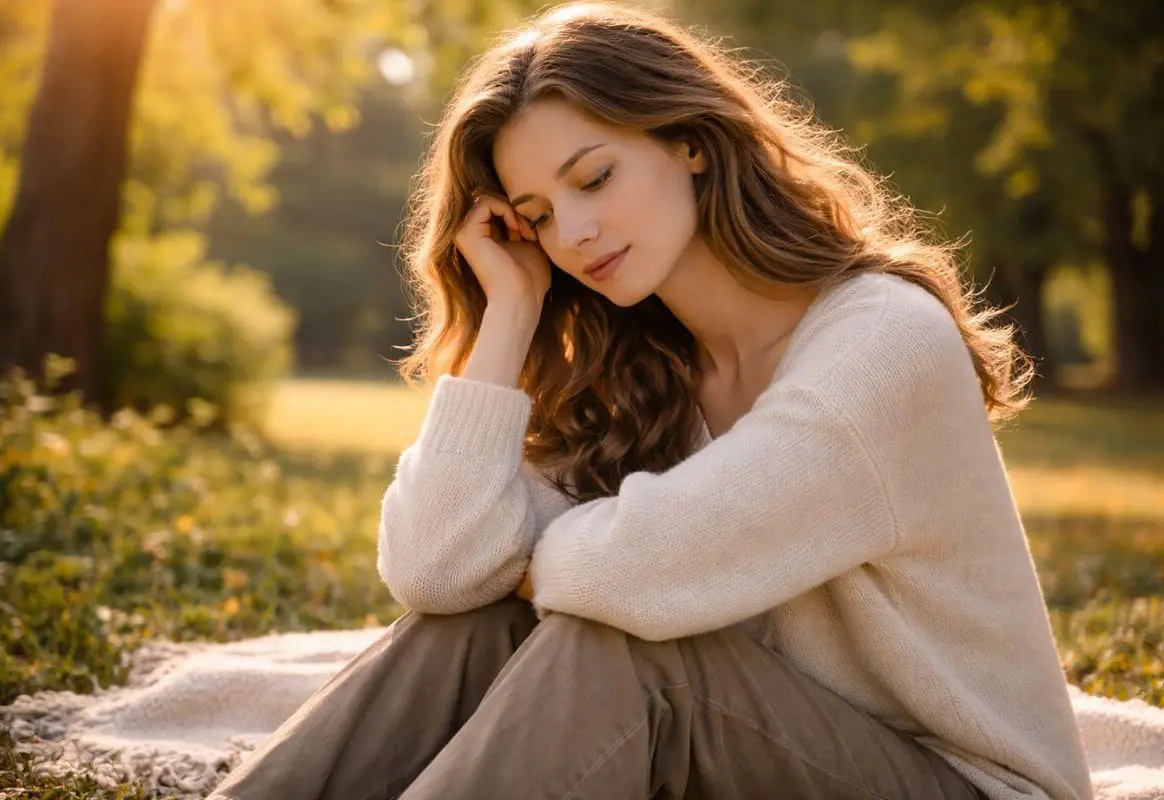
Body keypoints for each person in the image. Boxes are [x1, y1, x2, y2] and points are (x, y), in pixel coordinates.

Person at [208, 2, 1094, 799]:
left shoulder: (882, 343)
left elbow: (639, 572)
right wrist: (512, 310)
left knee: (622, 650)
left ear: (690, 140)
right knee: (475, 627)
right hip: (761, 743)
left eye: (592, 179)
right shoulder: (648, 370)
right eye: (538, 215)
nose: (575, 233)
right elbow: (438, 569)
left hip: (960, 781)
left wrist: (521, 554)